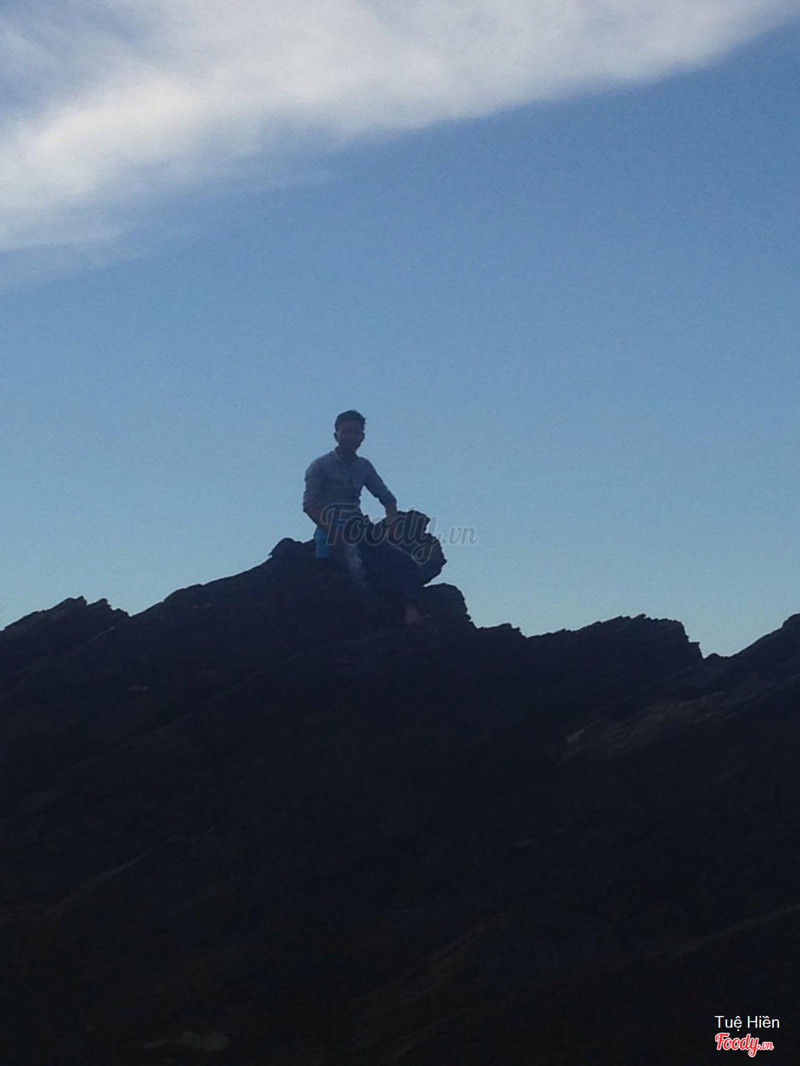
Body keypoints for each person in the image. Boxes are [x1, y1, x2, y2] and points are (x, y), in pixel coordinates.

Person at [303, 410, 424, 625]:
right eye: (346, 432)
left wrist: (393, 526)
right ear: (336, 435)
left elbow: (388, 499)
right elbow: (310, 505)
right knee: (356, 568)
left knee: (405, 560)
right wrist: (333, 532)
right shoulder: (320, 466)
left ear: (362, 437)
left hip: (359, 526)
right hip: (331, 526)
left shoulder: (364, 466)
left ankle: (411, 609)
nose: (351, 436)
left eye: (356, 432)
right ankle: (373, 619)